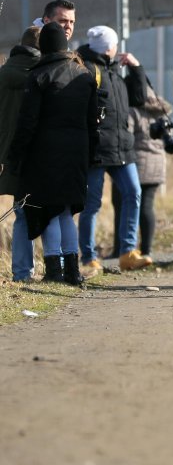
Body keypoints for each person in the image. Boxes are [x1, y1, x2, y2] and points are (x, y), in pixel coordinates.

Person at [5, 23, 98, 285]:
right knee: (66, 211)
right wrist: (90, 154)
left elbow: (27, 122)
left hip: (45, 153)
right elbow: (93, 123)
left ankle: (54, 270)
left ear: (43, 46)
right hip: (77, 151)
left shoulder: (39, 75)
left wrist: (15, 155)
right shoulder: (84, 75)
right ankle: (73, 270)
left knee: (48, 211)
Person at [76, 25, 150, 277]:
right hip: (97, 150)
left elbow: (139, 99)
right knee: (92, 205)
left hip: (121, 148)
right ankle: (88, 257)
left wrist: (136, 68)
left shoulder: (115, 71)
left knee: (133, 193)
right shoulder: (86, 69)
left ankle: (128, 252)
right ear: (110, 47)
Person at [0, 26, 41, 283]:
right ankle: (56, 266)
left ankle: (21, 272)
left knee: (21, 212)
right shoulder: (41, 74)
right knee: (48, 211)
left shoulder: (3, 73)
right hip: (38, 151)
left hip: (9, 153)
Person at [125, 84, 172, 262]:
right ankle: (147, 249)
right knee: (147, 205)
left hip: (138, 163)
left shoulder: (134, 111)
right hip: (158, 164)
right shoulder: (162, 111)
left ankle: (129, 249)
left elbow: (127, 136)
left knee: (134, 206)